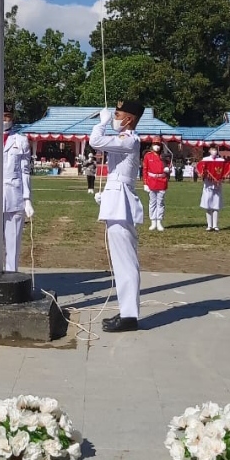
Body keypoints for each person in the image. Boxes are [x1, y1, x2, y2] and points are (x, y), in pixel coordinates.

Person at [89, 100, 145, 333]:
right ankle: (126, 312)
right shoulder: (124, 140)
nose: (114, 118)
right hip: (116, 199)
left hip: (121, 203)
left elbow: (95, 141)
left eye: (118, 114)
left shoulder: (129, 139)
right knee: (120, 260)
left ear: (129, 119)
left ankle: (129, 316)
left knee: (126, 262)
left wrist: (101, 124)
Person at [0, 104, 33, 271]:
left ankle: (12, 274)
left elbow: (25, 171)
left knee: (13, 240)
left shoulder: (21, 140)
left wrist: (27, 199)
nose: (5, 119)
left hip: (14, 194)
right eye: (2, 115)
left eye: (8, 116)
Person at [196, 144, 230, 231]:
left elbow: (228, 166)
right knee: (208, 205)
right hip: (208, 185)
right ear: (209, 150)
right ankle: (209, 225)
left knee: (216, 205)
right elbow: (199, 168)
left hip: (217, 185)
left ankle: (215, 225)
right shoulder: (205, 160)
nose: (214, 151)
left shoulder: (221, 160)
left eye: (215, 149)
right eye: (212, 149)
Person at [142, 136, 169, 231]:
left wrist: (168, 169)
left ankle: (159, 221)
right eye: (155, 144)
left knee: (160, 202)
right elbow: (145, 170)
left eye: (158, 144)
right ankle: (153, 221)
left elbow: (169, 167)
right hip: (151, 181)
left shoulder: (164, 156)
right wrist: (145, 183)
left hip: (161, 181)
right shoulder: (148, 156)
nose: (157, 146)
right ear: (152, 145)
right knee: (152, 202)